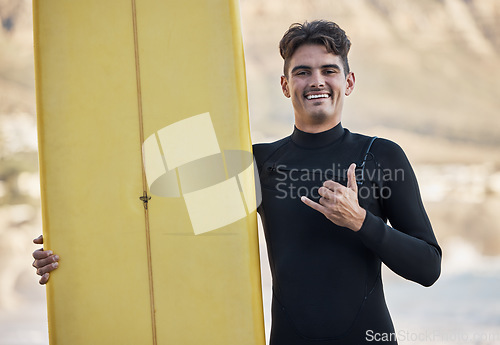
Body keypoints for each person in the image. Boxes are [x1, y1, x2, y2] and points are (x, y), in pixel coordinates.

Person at [33, 20, 441, 344]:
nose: (316, 80)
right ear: (285, 85)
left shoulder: (382, 156)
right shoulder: (258, 162)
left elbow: (428, 267)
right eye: (302, 72)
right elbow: (162, 222)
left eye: (328, 70)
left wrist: (361, 222)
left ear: (347, 82)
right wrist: (70, 247)